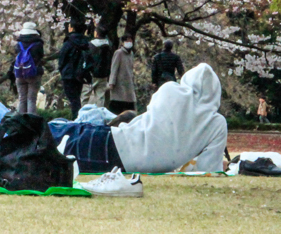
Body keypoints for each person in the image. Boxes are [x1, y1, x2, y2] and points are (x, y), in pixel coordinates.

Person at [50, 63, 228, 174]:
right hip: (117, 159)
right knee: (54, 138)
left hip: (112, 141)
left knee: (53, 130)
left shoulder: (171, 90)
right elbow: (208, 168)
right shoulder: (217, 124)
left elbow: (151, 117)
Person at [58, 22, 91, 118]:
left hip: (68, 74)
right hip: (80, 74)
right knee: (76, 98)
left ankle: (76, 118)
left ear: (72, 28)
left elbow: (62, 59)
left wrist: (62, 70)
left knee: (73, 99)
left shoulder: (68, 42)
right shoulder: (86, 43)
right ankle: (78, 116)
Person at [12, 22, 45, 114]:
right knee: (31, 99)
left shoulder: (18, 44)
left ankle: (20, 121)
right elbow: (40, 56)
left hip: (20, 73)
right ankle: (31, 121)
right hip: (33, 73)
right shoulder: (38, 44)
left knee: (22, 98)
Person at [107, 35, 136, 115]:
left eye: (130, 41)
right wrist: (111, 82)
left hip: (128, 83)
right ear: (122, 43)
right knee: (117, 104)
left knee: (129, 103)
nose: (129, 43)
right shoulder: (118, 53)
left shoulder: (131, 54)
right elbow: (114, 68)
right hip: (119, 83)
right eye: (127, 41)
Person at [86, 28, 113, 107]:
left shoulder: (91, 45)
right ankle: (99, 114)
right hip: (104, 74)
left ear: (97, 34)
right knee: (100, 97)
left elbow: (87, 58)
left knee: (86, 97)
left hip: (92, 74)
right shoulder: (109, 45)